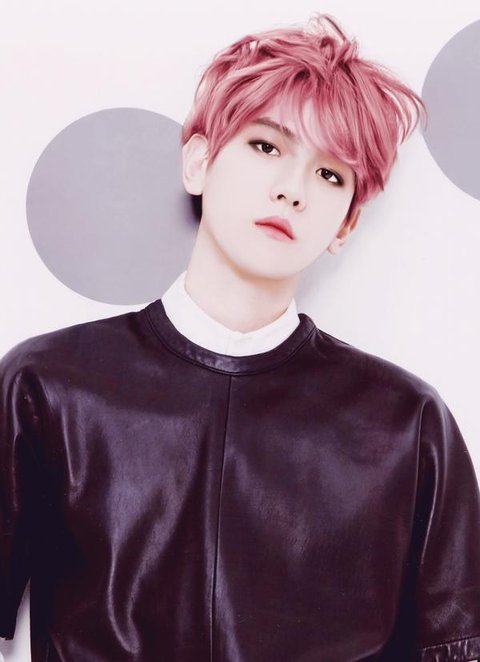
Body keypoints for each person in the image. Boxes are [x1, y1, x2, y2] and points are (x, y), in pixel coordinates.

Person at [1, 13, 479, 662]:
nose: (292, 190)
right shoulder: (48, 385)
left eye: (330, 175)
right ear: (199, 162)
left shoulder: (406, 424)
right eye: (266, 146)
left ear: (345, 225)